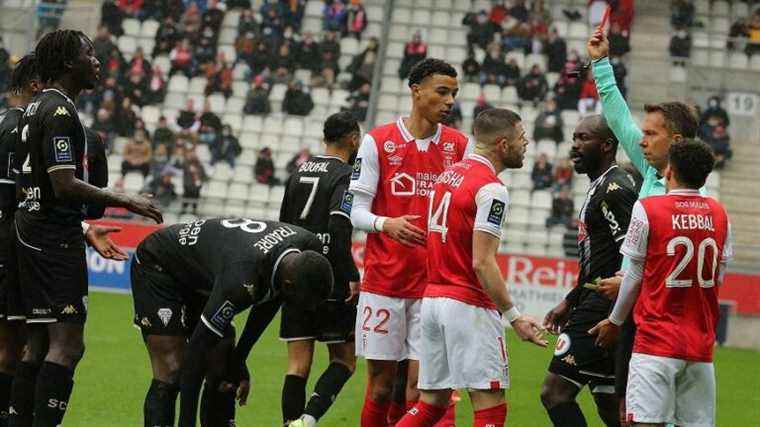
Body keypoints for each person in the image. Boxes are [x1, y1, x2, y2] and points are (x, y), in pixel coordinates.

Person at [11, 30, 162, 427]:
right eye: (89, 54)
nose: (96, 61)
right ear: (66, 64)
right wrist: (128, 200)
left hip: (33, 232)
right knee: (68, 346)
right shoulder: (60, 112)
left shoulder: (36, 106)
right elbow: (62, 183)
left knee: (39, 342)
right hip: (53, 238)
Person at [395, 108, 546, 427]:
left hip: (433, 301)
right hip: (468, 306)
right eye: (521, 138)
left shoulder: (446, 176)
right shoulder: (492, 189)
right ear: (503, 144)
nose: (526, 143)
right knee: (490, 405)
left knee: (431, 403)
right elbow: (482, 260)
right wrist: (515, 317)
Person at [587, 28, 704, 423]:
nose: (640, 141)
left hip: (661, 320)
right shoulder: (654, 176)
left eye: (650, 134)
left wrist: (630, 282)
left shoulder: (690, 198)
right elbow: (618, 119)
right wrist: (601, 63)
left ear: (674, 140)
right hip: (643, 312)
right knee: (633, 413)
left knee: (651, 416)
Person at [349, 58, 470, 427]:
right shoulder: (378, 142)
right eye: (442, 91)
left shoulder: (459, 146)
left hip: (433, 287)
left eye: (454, 93)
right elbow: (354, 210)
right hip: (384, 283)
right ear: (416, 91)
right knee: (381, 387)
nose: (450, 101)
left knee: (420, 389)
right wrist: (387, 224)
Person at [130, 218, 333, 427]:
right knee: (172, 369)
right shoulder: (242, 277)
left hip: (203, 274)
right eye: (305, 303)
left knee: (223, 362)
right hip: (160, 263)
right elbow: (197, 351)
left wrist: (239, 360)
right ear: (290, 286)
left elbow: (269, 300)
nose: (309, 309)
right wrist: (186, 422)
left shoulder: (307, 249)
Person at [589, 140, 732, 427]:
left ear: (669, 171)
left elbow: (633, 275)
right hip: (700, 347)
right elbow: (718, 276)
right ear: (705, 176)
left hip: (655, 342)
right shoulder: (720, 214)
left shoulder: (648, 209)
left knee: (646, 423)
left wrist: (615, 321)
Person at [540, 115, 637, 427]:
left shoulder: (614, 189)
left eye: (583, 139)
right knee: (609, 405)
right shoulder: (602, 186)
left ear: (607, 145)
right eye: (574, 138)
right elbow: (601, 260)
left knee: (554, 393)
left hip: (603, 308)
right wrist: (570, 300)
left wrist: (616, 311)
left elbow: (632, 255)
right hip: (598, 303)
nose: (575, 146)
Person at [278, 112, 362, 427]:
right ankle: (309, 419)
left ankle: (290, 424)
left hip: (294, 272)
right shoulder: (346, 175)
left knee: (297, 365)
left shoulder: (299, 171)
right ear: (353, 138)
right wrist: (351, 274)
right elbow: (339, 227)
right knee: (345, 359)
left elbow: (282, 224)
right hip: (329, 276)